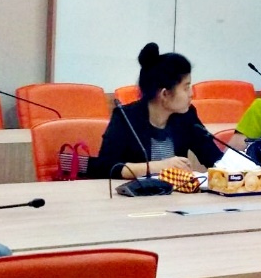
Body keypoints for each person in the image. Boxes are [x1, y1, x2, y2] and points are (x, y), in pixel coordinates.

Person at [93, 42, 222, 179]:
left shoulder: (186, 116)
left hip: (175, 192)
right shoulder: (126, 117)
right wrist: (157, 166)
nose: (191, 94)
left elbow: (214, 159)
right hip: (134, 191)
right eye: (186, 88)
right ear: (164, 94)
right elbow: (105, 167)